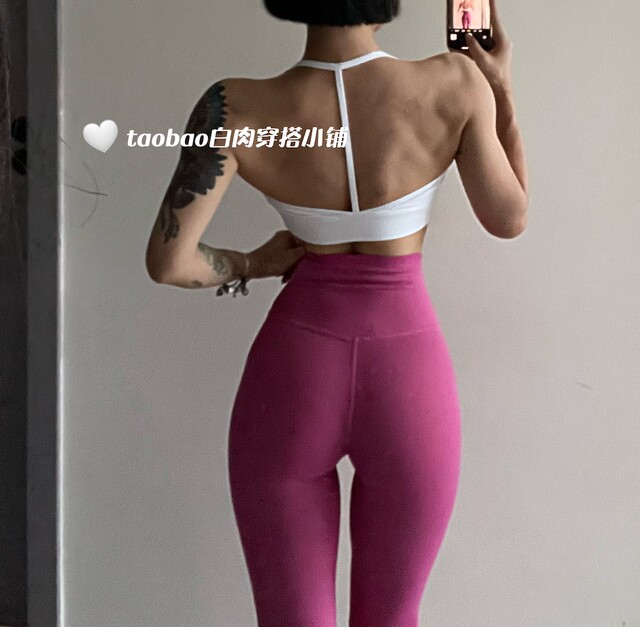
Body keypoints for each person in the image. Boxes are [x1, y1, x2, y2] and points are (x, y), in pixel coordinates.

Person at [145, 0, 528, 624]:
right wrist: (500, 88)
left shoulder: (233, 105)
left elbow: (170, 262)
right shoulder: (456, 82)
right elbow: (508, 218)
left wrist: (251, 263)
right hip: (409, 376)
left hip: (294, 373)